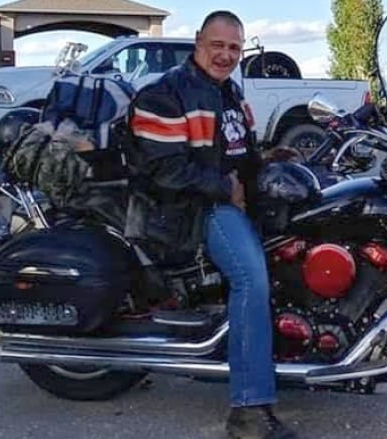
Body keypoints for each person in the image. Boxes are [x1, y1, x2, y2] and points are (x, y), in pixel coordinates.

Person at [124, 10, 299, 439]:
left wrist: (273, 160)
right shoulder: (164, 95)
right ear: (198, 41)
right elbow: (163, 170)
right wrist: (225, 189)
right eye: (217, 45)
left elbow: (241, 151)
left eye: (234, 48)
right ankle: (248, 410)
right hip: (191, 211)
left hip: (225, 199)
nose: (225, 55)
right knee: (251, 279)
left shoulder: (229, 92)